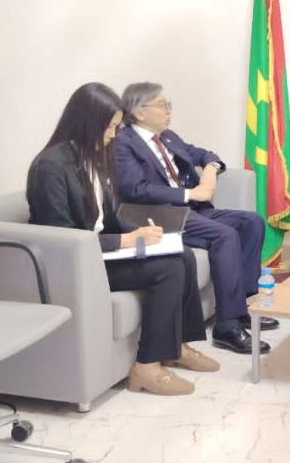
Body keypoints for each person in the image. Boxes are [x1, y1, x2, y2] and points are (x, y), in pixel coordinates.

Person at [27, 82, 217, 396]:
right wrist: (123, 243)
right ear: (88, 124)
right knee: (168, 268)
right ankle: (146, 367)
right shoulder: (50, 167)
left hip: (100, 253)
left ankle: (177, 347)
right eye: (110, 127)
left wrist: (138, 233)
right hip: (78, 265)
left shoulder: (91, 157)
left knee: (181, 254)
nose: (113, 135)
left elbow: (108, 217)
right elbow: (61, 238)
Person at [113, 82, 274, 357]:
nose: (169, 110)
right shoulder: (123, 143)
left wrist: (210, 169)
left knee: (252, 223)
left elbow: (203, 154)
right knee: (225, 235)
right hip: (161, 216)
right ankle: (227, 325)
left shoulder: (166, 136)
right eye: (163, 105)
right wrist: (190, 193)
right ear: (139, 113)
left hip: (193, 210)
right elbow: (135, 189)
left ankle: (243, 307)